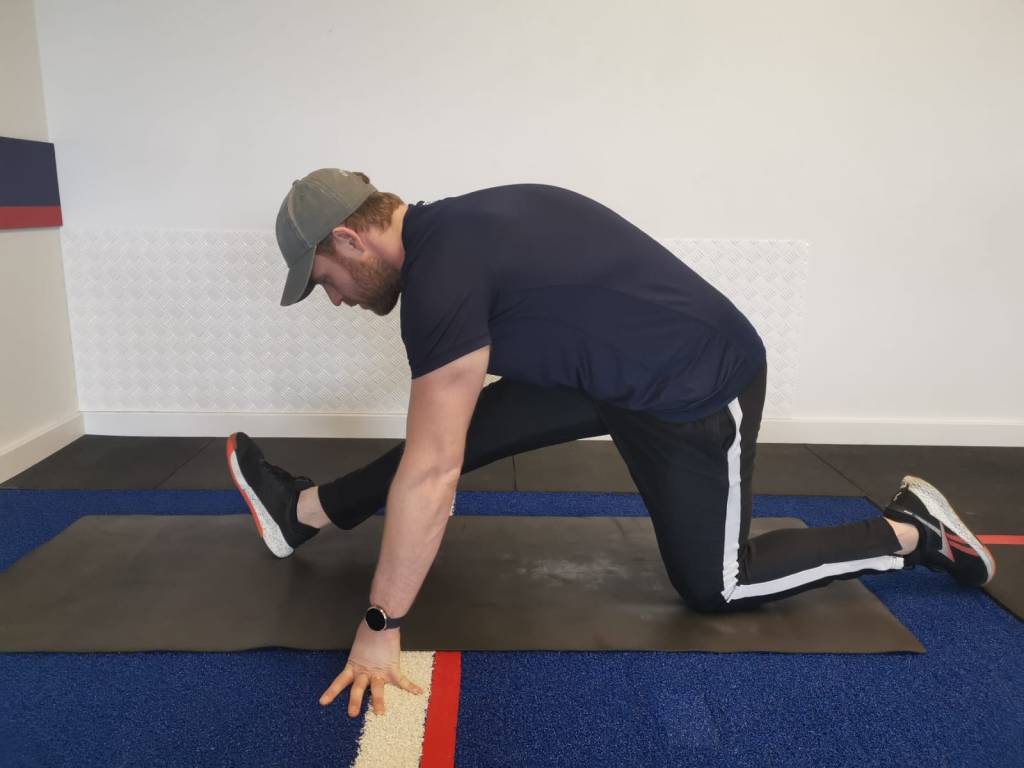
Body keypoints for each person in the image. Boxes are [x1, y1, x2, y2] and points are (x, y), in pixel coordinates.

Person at [226, 168, 996, 719]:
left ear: (348, 238)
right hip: (613, 370)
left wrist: (380, 629)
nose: (331, 299)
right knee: (464, 424)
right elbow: (441, 443)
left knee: (717, 586)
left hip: (695, 387)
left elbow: (432, 476)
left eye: (323, 278)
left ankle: (908, 531)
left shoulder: (440, 282)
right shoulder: (459, 226)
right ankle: (305, 510)